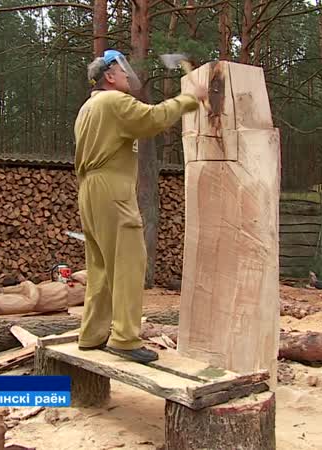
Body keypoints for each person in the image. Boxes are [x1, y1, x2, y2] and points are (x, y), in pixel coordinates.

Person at [73, 49, 206, 363]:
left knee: (101, 267)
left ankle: (92, 334)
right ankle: (125, 339)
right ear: (109, 76)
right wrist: (190, 99)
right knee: (129, 264)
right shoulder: (114, 101)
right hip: (112, 188)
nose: (127, 76)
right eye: (122, 71)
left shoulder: (88, 107)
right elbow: (153, 118)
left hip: (90, 189)